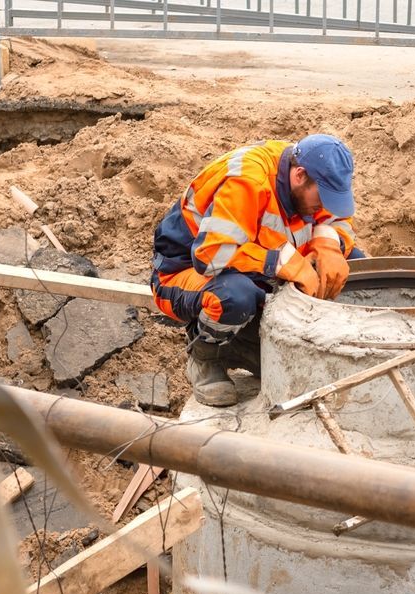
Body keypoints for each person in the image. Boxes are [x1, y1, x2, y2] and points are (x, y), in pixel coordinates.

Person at [150, 134, 360, 407]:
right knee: (235, 296)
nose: (325, 206)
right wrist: (286, 263)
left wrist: (331, 246)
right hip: (186, 274)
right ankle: (206, 355)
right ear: (299, 176)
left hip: (250, 264)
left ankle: (248, 343)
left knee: (352, 262)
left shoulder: (310, 173)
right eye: (322, 197)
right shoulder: (247, 181)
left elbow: (337, 219)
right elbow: (210, 257)